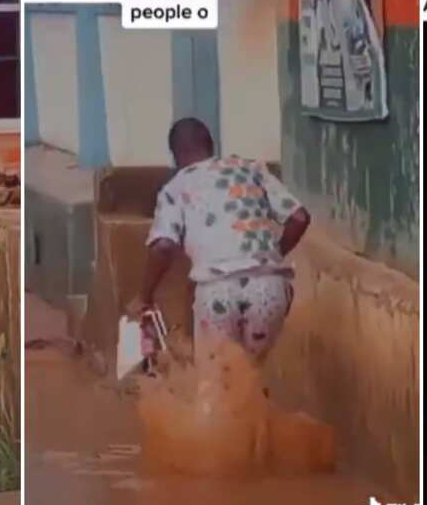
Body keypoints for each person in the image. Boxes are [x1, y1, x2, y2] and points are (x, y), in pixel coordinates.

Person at [131, 118, 312, 364]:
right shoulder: (252, 169)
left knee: (215, 391)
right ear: (211, 146)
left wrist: (144, 296)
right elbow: (299, 218)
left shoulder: (176, 187)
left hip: (218, 294)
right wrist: (273, 255)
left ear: (175, 155)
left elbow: (163, 247)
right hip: (270, 290)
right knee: (249, 378)